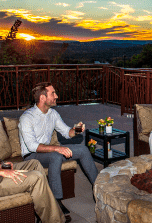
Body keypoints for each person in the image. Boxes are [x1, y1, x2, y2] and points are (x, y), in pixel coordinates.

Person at [18, 82, 98, 215]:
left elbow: (67, 133)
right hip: (31, 156)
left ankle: (99, 189)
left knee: (83, 150)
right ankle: (56, 201)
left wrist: (76, 130)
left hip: (48, 152)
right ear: (42, 98)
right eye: (53, 93)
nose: (56, 96)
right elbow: (32, 146)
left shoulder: (52, 114)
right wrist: (56, 148)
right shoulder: (27, 118)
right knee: (55, 155)